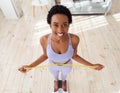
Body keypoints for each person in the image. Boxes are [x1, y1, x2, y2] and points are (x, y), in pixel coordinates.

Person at [18, 5, 104, 92]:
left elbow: (74, 56)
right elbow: (45, 55)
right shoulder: (44, 39)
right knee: (55, 75)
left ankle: (63, 81)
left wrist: (92, 66)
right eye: (55, 25)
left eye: (64, 25)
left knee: (64, 76)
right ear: (50, 25)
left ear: (69, 25)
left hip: (67, 66)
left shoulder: (74, 39)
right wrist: (30, 67)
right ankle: (55, 81)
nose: (60, 30)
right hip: (52, 65)